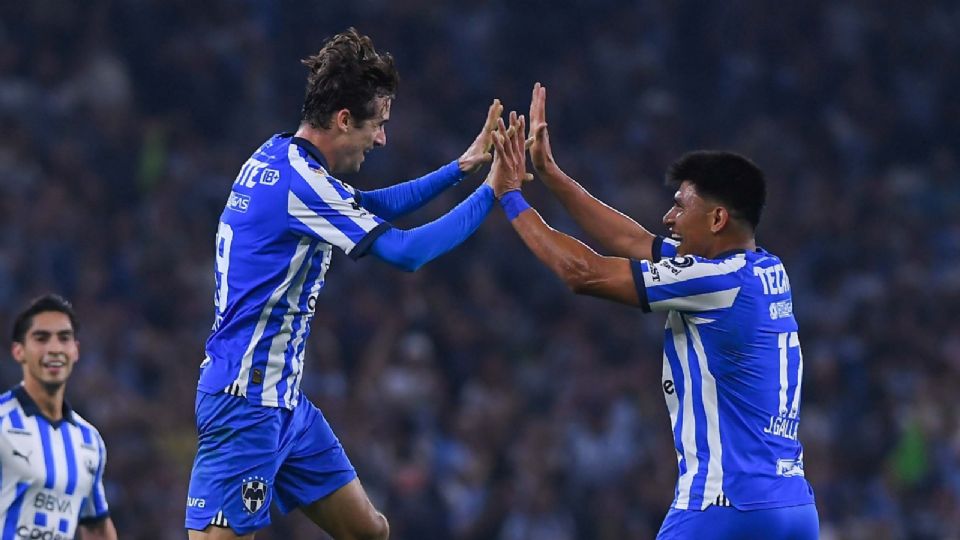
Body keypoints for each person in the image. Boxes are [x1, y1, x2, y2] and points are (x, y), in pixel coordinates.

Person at [185, 28, 505, 539]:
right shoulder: (301, 184)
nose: (381, 138)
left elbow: (368, 207)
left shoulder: (277, 157)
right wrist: (493, 191)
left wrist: (463, 167)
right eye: (378, 125)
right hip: (243, 405)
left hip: (284, 406)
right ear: (343, 120)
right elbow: (406, 253)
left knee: (370, 532)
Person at [486, 84, 819, 539]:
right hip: (794, 506)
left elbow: (583, 273)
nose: (668, 218)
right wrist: (550, 173)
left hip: (725, 506)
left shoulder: (714, 281)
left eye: (680, 207)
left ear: (717, 219)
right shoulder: (765, 269)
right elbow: (632, 243)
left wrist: (509, 196)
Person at [1, 294, 117, 540]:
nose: (54, 348)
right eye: (41, 338)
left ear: (75, 350)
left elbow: (96, 527)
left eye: (64, 339)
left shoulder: (89, 440)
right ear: (18, 351)